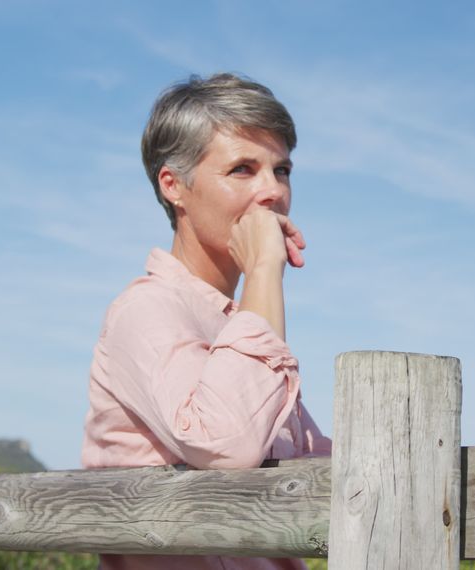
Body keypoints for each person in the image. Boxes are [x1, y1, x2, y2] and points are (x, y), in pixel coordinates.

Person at [82, 73, 331, 570]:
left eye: (281, 171)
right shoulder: (145, 310)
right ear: (174, 186)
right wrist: (263, 268)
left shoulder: (241, 321)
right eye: (243, 169)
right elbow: (229, 444)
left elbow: (319, 467)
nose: (272, 192)